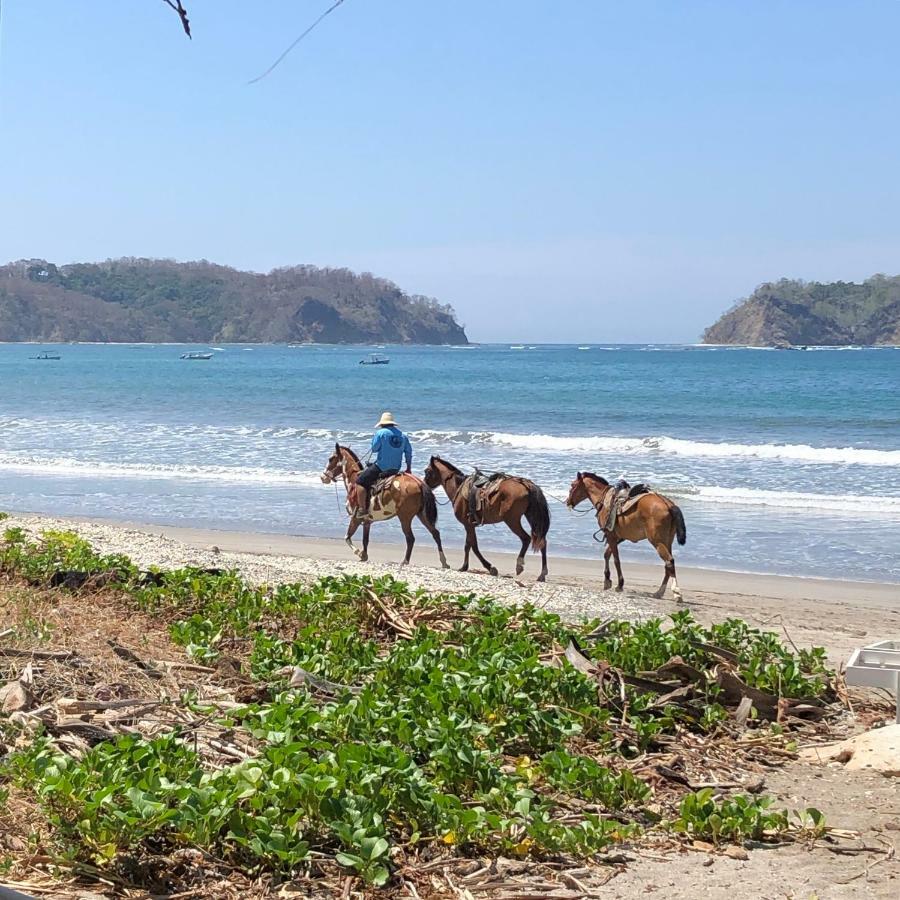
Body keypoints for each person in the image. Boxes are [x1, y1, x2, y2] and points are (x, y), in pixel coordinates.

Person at [355, 411, 413, 518]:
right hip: (396, 468)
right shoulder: (403, 436)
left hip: (381, 467)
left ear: (382, 424)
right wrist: (408, 468)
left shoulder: (381, 433)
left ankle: (363, 509)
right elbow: (408, 453)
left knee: (359, 482)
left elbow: (374, 449)